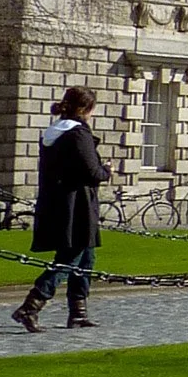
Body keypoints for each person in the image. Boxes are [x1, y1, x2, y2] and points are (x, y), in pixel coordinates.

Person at [12, 86, 111, 332]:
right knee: (69, 259)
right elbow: (92, 172)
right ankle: (31, 305)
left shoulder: (54, 133)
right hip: (76, 205)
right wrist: (107, 170)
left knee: (87, 257)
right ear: (85, 109)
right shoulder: (78, 134)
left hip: (60, 202)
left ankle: (78, 313)